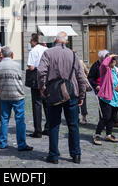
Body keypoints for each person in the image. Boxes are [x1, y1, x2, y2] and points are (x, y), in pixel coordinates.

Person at [37, 31, 87, 164]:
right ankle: (76, 155)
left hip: (53, 93)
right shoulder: (73, 54)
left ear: (55, 40)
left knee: (53, 125)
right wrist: (81, 95)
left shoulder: (48, 52)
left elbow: (41, 71)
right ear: (66, 41)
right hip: (71, 93)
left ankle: (53, 156)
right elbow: (81, 77)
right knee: (73, 125)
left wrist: (42, 87)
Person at [0, 46, 33, 151]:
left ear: (2, 54)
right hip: (17, 95)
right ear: (11, 54)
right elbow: (20, 77)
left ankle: (3, 143)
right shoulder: (16, 65)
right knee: (20, 120)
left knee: (4, 119)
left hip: (4, 95)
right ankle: (21, 144)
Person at [93, 54, 118, 145]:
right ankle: (97, 134)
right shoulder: (105, 70)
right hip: (106, 97)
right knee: (106, 117)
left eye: (114, 59)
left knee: (113, 117)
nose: (113, 61)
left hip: (116, 97)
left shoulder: (117, 70)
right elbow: (103, 65)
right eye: (111, 59)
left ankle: (109, 135)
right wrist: (109, 56)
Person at [88, 50, 118, 128]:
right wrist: (96, 86)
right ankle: (103, 124)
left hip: (113, 90)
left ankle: (114, 122)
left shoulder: (115, 69)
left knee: (113, 108)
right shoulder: (98, 66)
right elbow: (90, 78)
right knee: (104, 110)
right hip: (101, 89)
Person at [26, 33, 48, 138]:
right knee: (47, 104)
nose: (30, 43)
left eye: (31, 41)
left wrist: (36, 67)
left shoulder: (33, 51)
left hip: (36, 78)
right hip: (47, 78)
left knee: (37, 104)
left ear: (34, 41)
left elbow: (30, 67)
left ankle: (38, 131)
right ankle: (48, 127)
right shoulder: (47, 49)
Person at [78, 60, 90, 125]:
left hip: (80, 84)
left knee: (82, 101)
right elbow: (87, 72)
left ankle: (82, 117)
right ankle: (80, 118)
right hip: (78, 84)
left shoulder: (80, 62)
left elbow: (87, 71)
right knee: (80, 101)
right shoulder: (80, 62)